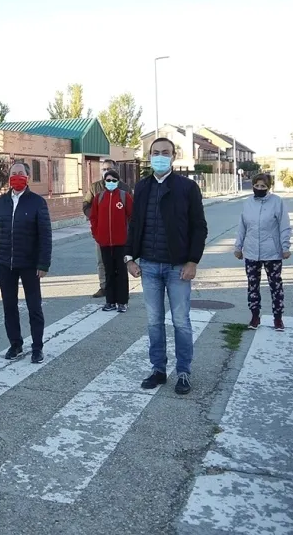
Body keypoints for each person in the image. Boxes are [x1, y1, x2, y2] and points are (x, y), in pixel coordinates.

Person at [124, 138, 208, 395]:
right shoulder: (142, 187)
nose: (160, 157)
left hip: (178, 267)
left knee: (181, 321)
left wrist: (193, 261)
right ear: (148, 156)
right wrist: (129, 258)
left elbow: (199, 227)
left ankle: (183, 372)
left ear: (173, 156)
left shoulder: (187, 187)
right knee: (154, 321)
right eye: (155, 153)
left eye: (165, 153)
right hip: (148, 266)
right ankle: (158, 369)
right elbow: (135, 224)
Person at [0, 162, 52, 364]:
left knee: (34, 307)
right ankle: (15, 344)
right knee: (9, 306)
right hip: (6, 263)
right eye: (13, 173)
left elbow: (45, 236)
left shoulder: (37, 202)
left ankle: (37, 347)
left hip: (30, 264)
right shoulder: (2, 202)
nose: (16, 176)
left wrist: (43, 264)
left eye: (20, 173)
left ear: (27, 177)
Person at [234, 174, 292, 331]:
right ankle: (254, 316)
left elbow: (284, 225)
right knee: (253, 286)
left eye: (263, 186)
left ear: (269, 187)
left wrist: (285, 247)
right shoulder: (248, 203)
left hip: (272, 252)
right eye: (256, 186)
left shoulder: (277, 202)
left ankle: (278, 318)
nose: (259, 189)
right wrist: (238, 247)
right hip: (251, 252)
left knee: (276, 286)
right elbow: (242, 226)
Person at [89, 170, 134, 312]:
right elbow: (94, 218)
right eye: (108, 180)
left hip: (121, 242)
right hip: (104, 242)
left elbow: (132, 217)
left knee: (121, 272)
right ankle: (110, 301)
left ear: (118, 182)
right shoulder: (98, 197)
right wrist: (97, 234)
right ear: (104, 182)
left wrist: (129, 237)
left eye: (114, 180)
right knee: (109, 271)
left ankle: (122, 302)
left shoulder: (124, 196)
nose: (111, 183)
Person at [84, 158, 128, 298]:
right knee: (102, 261)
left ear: (116, 170)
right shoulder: (95, 187)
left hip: (120, 234)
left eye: (110, 169)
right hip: (101, 233)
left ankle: (120, 290)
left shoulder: (124, 188)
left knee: (120, 262)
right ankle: (104, 287)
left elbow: (132, 211)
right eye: (104, 169)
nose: (107, 171)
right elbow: (86, 204)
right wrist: (96, 218)